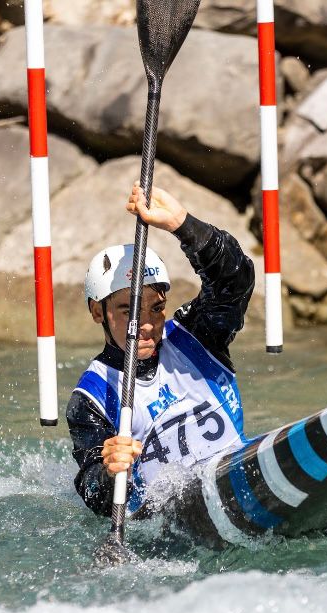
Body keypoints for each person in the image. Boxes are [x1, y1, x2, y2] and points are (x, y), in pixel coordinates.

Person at [66, 182, 255, 517]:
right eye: (129, 311)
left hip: (235, 481)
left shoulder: (197, 337)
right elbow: (93, 493)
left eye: (156, 308)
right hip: (167, 522)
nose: (146, 325)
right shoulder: (92, 397)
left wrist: (182, 225)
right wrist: (108, 471)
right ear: (97, 312)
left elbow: (235, 280)